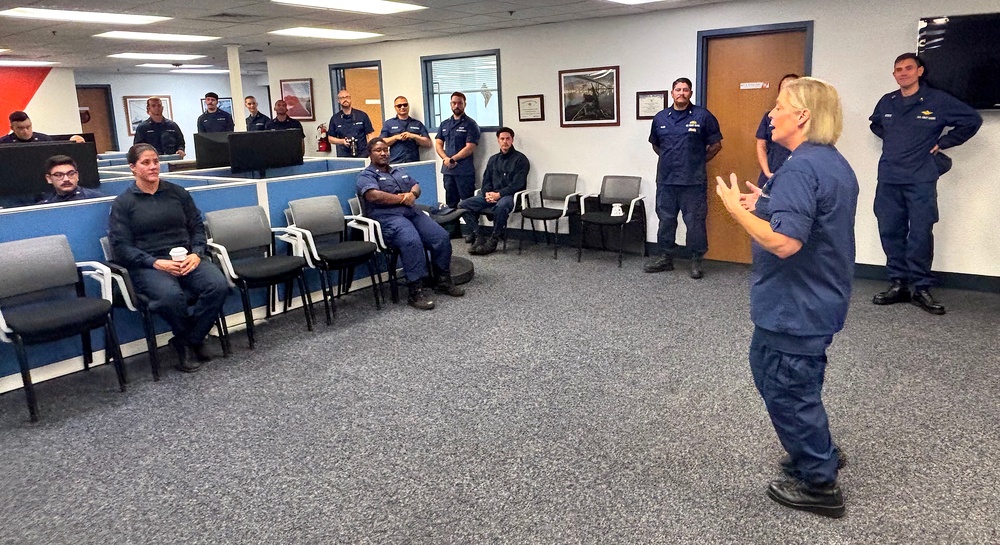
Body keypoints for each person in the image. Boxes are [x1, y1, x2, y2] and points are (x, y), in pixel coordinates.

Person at [715, 77, 857, 519]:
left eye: (779, 107)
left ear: (803, 116)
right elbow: (807, 217)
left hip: (796, 306)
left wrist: (737, 211)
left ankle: (819, 482)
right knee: (783, 378)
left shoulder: (799, 168)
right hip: (814, 299)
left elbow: (785, 243)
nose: (771, 115)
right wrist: (765, 202)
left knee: (788, 388)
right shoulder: (828, 162)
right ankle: (817, 450)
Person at [869, 53, 982, 315]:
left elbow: (972, 120)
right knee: (890, 231)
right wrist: (896, 142)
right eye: (898, 70)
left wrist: (943, 143)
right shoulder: (888, 101)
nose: (903, 73)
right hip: (889, 178)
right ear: (894, 74)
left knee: (920, 233)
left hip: (920, 178)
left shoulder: (937, 100)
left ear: (920, 71)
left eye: (908, 68)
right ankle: (898, 284)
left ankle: (920, 287)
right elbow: (877, 125)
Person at [108, 143, 229, 373]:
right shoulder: (124, 203)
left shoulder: (178, 193)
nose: (153, 166)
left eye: (155, 161)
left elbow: (197, 229)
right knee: (171, 297)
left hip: (186, 257)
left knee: (218, 286)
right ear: (132, 167)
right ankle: (189, 343)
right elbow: (121, 247)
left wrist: (196, 253)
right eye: (146, 162)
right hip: (150, 264)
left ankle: (187, 339)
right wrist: (155, 262)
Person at [357, 138, 465, 310]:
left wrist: (413, 195)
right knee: (411, 241)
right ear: (370, 153)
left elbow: (416, 186)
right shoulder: (367, 176)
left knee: (441, 237)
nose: (384, 153)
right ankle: (415, 291)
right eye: (379, 150)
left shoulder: (399, 170)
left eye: (386, 149)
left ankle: (442, 280)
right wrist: (402, 198)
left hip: (412, 213)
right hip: (389, 217)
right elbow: (373, 196)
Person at [644, 78, 723, 279]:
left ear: (690, 93)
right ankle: (665, 258)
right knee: (666, 221)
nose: (681, 93)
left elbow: (715, 146)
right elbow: (656, 145)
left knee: (695, 223)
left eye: (685, 90)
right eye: (678, 89)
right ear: (672, 93)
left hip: (692, 181)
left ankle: (695, 260)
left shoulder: (703, 116)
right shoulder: (660, 118)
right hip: (666, 180)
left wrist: (696, 161)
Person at [458, 127, 529, 255]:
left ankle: (494, 240)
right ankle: (479, 235)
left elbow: (517, 184)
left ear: (512, 140)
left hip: (509, 196)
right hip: (491, 195)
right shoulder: (493, 159)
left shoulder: (521, 159)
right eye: (502, 139)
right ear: (498, 140)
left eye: (508, 138)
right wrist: (487, 194)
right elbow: (486, 181)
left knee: (501, 206)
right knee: (462, 205)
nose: (505, 141)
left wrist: (499, 195)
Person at [435, 92, 481, 208]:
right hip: (448, 172)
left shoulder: (470, 124)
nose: (456, 106)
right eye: (454, 103)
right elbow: (438, 144)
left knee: (468, 204)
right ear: (450, 104)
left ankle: (472, 227)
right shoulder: (445, 124)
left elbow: (470, 147)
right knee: (451, 205)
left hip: (464, 172)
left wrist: (453, 159)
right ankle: (452, 227)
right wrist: (446, 158)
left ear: (464, 104)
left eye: (460, 103)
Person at [755, 74, 800, 185]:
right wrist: (767, 172)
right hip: (771, 174)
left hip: (792, 177)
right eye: (784, 89)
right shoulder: (770, 116)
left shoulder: (804, 120)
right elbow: (761, 145)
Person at [379, 96, 432, 164]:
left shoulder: (417, 124)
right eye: (399, 106)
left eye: (405, 105)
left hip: (413, 163)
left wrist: (413, 136)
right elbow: (382, 143)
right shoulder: (389, 124)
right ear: (395, 107)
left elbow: (428, 143)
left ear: (408, 106)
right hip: (395, 163)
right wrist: (396, 137)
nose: (402, 107)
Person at [37, 155, 104, 204]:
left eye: (71, 174)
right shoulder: (44, 206)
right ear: (49, 179)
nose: (66, 179)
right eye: (59, 175)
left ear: (77, 175)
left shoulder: (97, 199)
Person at [327, 89, 374, 158]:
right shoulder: (335, 119)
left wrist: (370, 151)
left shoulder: (362, 115)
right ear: (338, 101)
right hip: (344, 156)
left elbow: (370, 134)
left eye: (347, 97)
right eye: (342, 98)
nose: (345, 100)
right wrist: (342, 141)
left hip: (363, 154)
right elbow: (330, 138)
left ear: (350, 99)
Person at [0, 111, 84, 144]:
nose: (26, 131)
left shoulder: (44, 139)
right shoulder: (3, 143)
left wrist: (73, 141)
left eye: (28, 127)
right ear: (12, 128)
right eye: (20, 128)